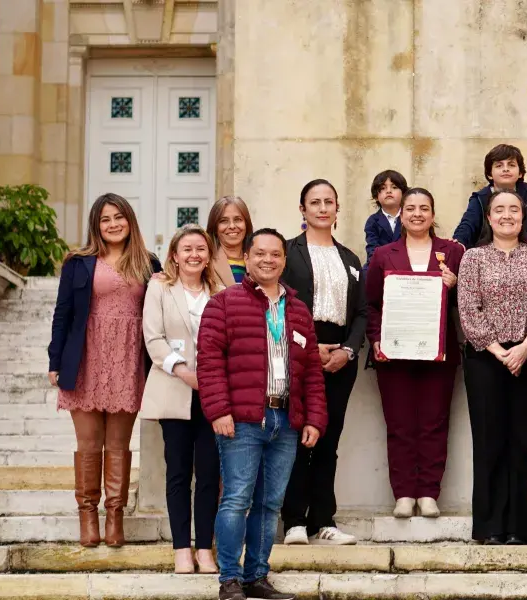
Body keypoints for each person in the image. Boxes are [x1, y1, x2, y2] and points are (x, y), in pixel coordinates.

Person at [197, 228, 327, 600]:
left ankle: (257, 576)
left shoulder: (299, 310)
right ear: (248, 259)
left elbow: (313, 372)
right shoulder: (223, 303)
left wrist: (315, 418)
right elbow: (209, 363)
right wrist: (219, 410)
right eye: (260, 254)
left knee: (270, 504)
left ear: (284, 261)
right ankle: (230, 579)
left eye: (275, 254)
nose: (267, 260)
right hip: (241, 420)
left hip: (285, 421)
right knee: (237, 498)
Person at [48, 193, 161, 548]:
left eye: (119, 217)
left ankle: (114, 516)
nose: (113, 224)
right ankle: (87, 515)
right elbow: (62, 314)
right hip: (85, 359)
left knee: (118, 444)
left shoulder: (149, 263)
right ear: (96, 226)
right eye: (105, 219)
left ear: (130, 220)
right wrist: (55, 361)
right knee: (88, 444)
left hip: (128, 361)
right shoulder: (78, 262)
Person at [458, 189, 527, 545]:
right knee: (489, 441)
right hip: (486, 359)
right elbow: (469, 309)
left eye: (513, 209)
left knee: (524, 441)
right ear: (488, 217)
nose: (506, 215)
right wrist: (500, 351)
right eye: (498, 209)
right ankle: (490, 526)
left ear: (523, 216)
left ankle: (523, 527)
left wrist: (526, 346)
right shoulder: (472, 258)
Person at [366, 188, 464, 518]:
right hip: (394, 354)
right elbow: (372, 304)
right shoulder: (383, 254)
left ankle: (429, 493)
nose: (417, 213)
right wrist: (376, 339)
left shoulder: (451, 253)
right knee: (400, 424)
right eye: (410, 208)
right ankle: (404, 493)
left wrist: (455, 286)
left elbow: (465, 306)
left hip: (439, 352)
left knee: (434, 422)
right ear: (401, 214)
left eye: (424, 208)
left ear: (433, 215)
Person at [280, 179, 367, 546]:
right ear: (302, 209)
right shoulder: (286, 252)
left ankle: (324, 519)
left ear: (337, 208)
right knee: (299, 436)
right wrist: (308, 348)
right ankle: (294, 521)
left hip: (340, 359)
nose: (321, 208)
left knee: (329, 440)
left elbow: (361, 313)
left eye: (328, 202)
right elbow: (279, 304)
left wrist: (347, 350)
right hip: (300, 354)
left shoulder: (349, 258)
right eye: (313, 202)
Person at [141, 224, 224, 574]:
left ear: (208, 256)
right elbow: (153, 337)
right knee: (177, 472)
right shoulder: (159, 288)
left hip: (213, 394)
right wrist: (183, 371)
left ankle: (204, 548)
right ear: (174, 255)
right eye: (187, 249)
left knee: (208, 473)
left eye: (201, 249)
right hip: (174, 388)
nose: (194, 255)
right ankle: (180, 548)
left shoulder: (220, 291)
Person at [453, 143, 527, 248]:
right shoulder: (480, 198)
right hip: (484, 249)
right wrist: (458, 244)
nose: (505, 169)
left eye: (511, 165)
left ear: (520, 173)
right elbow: (468, 225)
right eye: (499, 165)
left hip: (518, 248)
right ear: (490, 174)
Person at [363, 169, 408, 271]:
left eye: (394, 187)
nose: (388, 191)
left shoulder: (409, 217)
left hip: (405, 266)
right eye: (383, 188)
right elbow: (372, 249)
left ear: (404, 194)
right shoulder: (373, 221)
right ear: (376, 197)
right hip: (380, 266)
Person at [206, 195, 254, 286]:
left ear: (246, 224)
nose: (232, 226)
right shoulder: (206, 262)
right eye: (224, 221)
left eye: (238, 220)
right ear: (215, 227)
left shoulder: (258, 259)